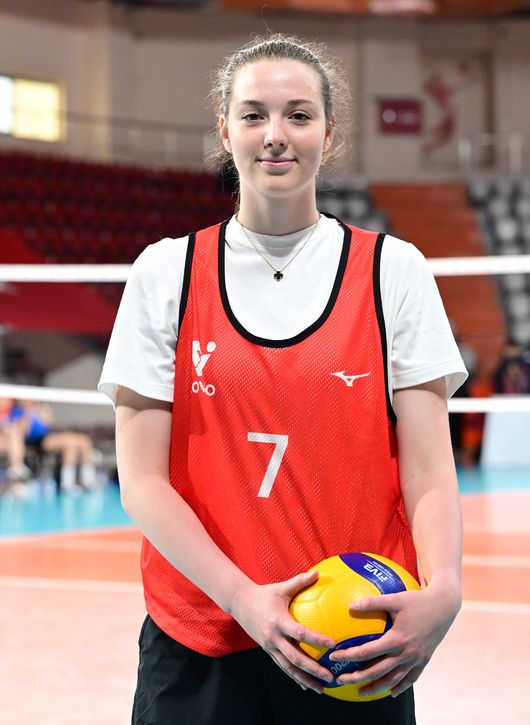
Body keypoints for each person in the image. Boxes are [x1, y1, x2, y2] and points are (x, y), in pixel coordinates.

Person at [98, 34, 467, 725]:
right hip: (202, 636)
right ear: (225, 131)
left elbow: (427, 469)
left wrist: (445, 588)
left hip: (356, 641)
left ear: (329, 132)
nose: (276, 134)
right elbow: (142, 481)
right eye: (254, 115)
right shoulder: (165, 273)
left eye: (299, 115)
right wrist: (244, 598)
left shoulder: (395, 271)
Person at [10, 400, 98, 492]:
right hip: (37, 441)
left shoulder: (39, 409)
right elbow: (25, 432)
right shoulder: (18, 411)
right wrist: (27, 413)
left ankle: (86, 481)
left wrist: (41, 410)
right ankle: (67, 484)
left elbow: (47, 424)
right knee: (68, 442)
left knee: (82, 441)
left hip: (47, 436)